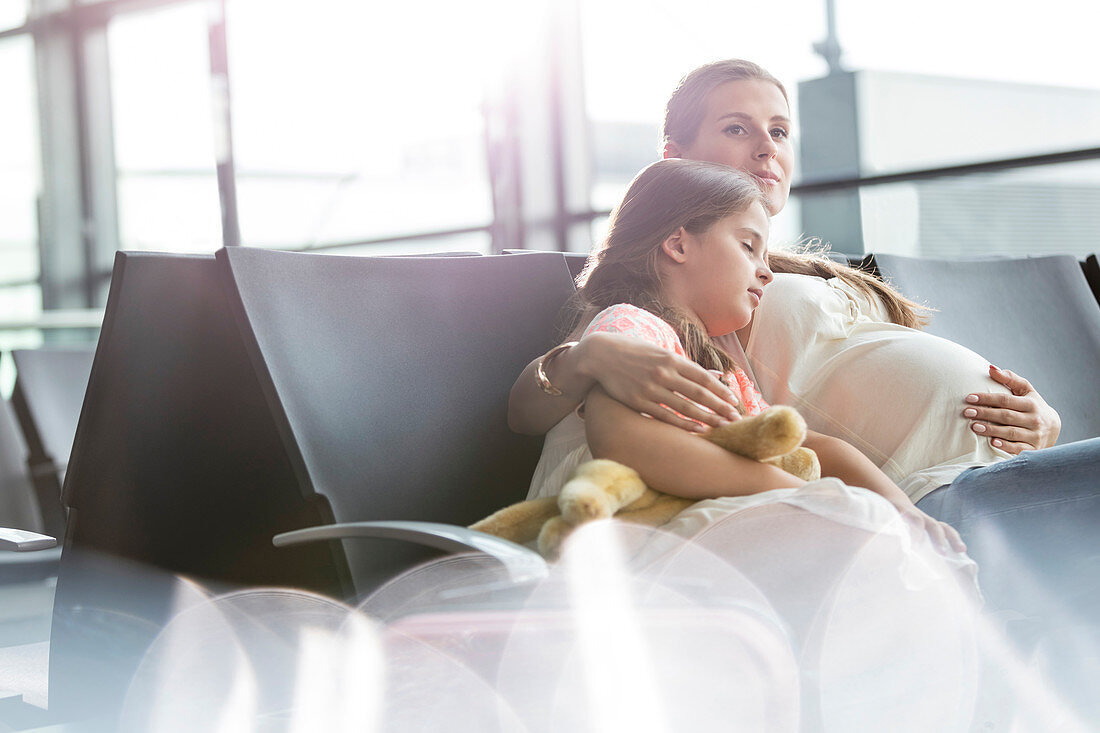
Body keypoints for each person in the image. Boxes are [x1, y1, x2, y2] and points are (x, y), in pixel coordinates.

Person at [508, 60, 1100, 624]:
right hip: (915, 502)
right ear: (675, 160)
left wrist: (1037, 426)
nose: (767, 147)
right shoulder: (673, 304)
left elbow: (801, 437)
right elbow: (587, 410)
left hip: (912, 499)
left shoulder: (753, 289)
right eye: (737, 128)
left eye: (781, 131)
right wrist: (587, 356)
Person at [527, 157, 965, 553]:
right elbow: (621, 438)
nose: (767, 270)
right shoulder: (631, 326)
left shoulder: (722, 368)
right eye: (747, 246)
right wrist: (797, 495)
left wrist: (903, 511)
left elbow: (811, 444)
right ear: (678, 245)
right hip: (621, 535)